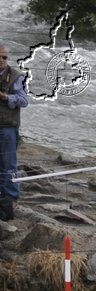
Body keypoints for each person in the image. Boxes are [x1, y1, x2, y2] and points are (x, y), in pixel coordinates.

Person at [0, 44, 26, 222]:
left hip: (7, 127)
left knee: (8, 165)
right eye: (0, 57)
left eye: (4, 57)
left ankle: (10, 200)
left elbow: (24, 100)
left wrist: (6, 97)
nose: (2, 61)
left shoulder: (16, 76)